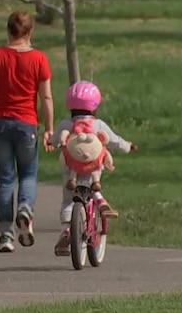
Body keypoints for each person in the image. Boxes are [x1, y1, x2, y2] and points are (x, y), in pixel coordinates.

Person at [0, 10, 54, 254]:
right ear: (30, 32)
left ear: (8, 30)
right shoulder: (39, 59)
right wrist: (48, 129)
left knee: (5, 179)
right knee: (28, 175)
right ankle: (25, 209)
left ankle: (6, 235)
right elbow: (46, 96)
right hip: (27, 124)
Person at [48, 80, 138, 256]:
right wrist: (128, 146)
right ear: (95, 105)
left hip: (70, 170)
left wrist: (52, 142)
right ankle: (98, 199)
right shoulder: (99, 125)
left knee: (68, 200)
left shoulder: (66, 124)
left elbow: (54, 140)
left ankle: (67, 230)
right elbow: (114, 141)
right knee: (91, 184)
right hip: (92, 169)